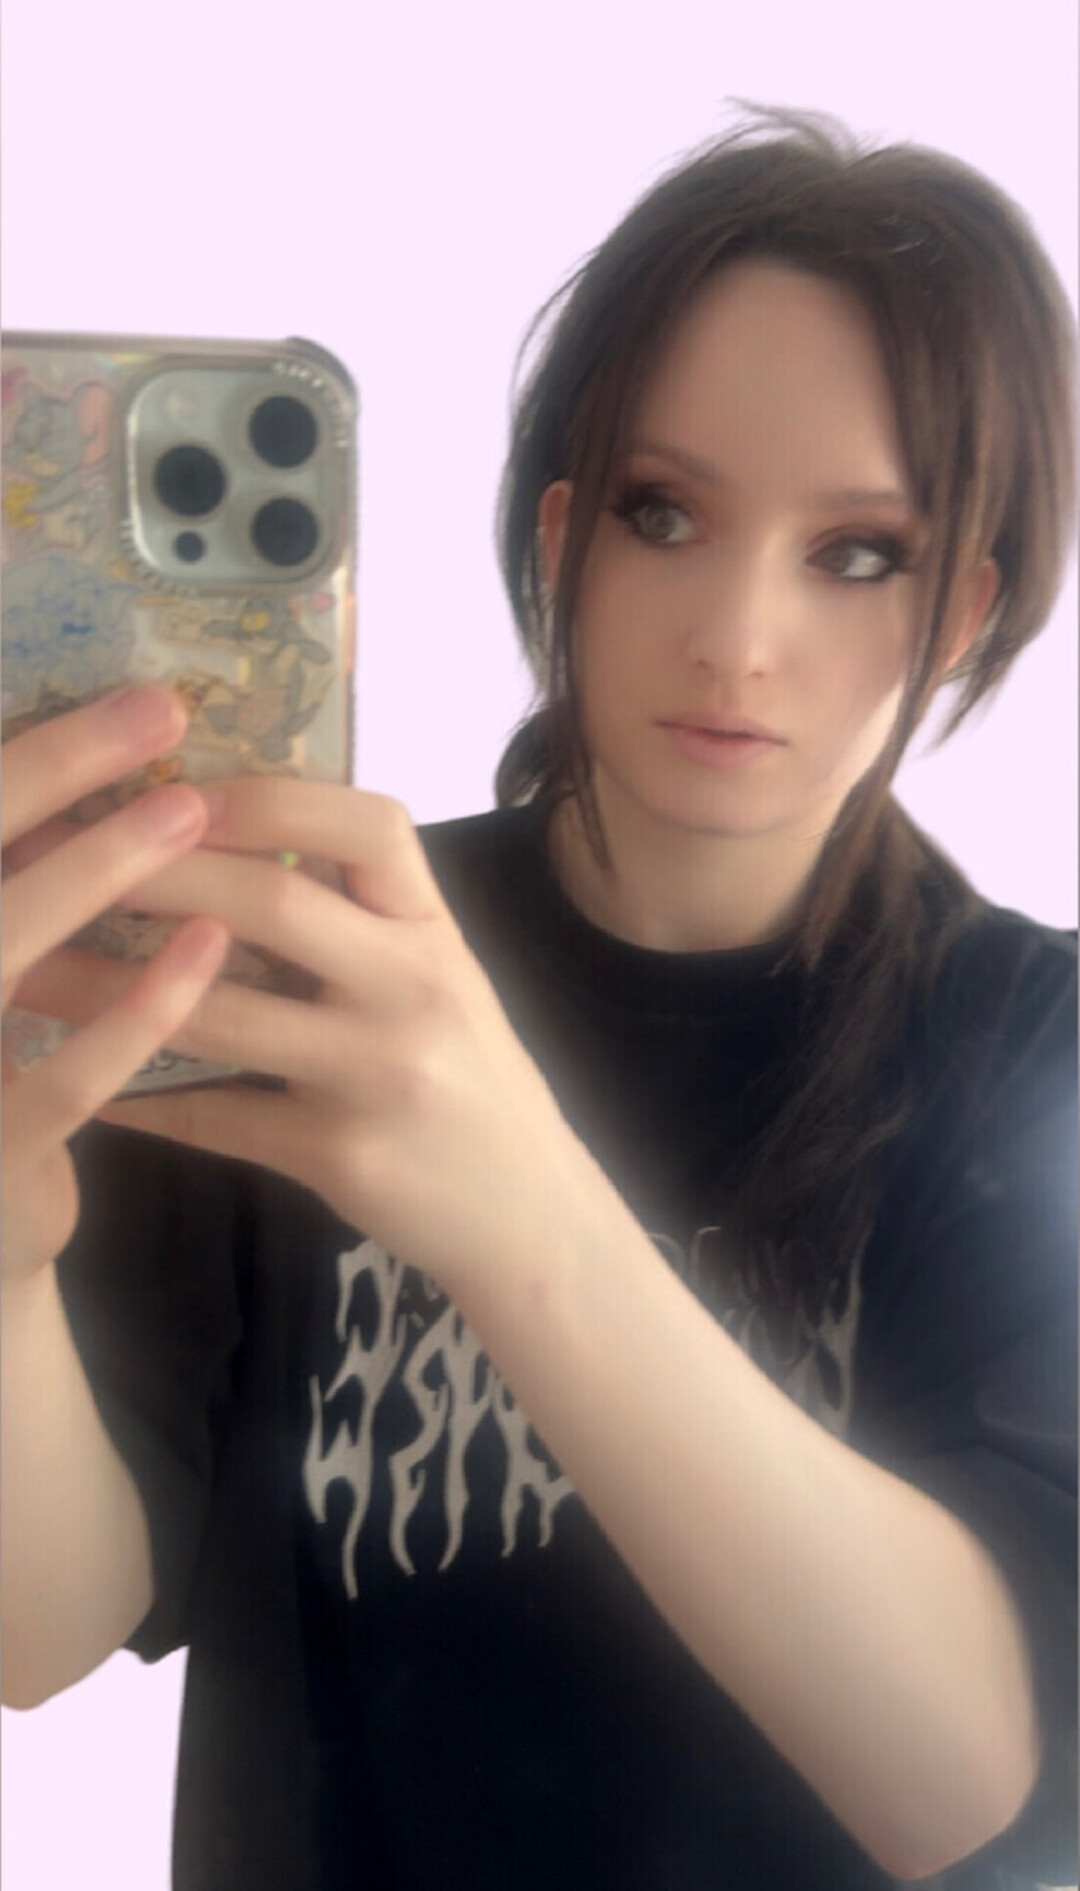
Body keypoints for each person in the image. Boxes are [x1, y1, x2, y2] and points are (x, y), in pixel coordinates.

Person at [2, 103, 1076, 1891]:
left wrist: (524, 1215)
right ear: (564, 537)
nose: (737, 636)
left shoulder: (1033, 1055)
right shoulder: (306, 958)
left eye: (857, 552)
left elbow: (984, 1785)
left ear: (961, 611)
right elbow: (43, 1630)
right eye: (666, 513)